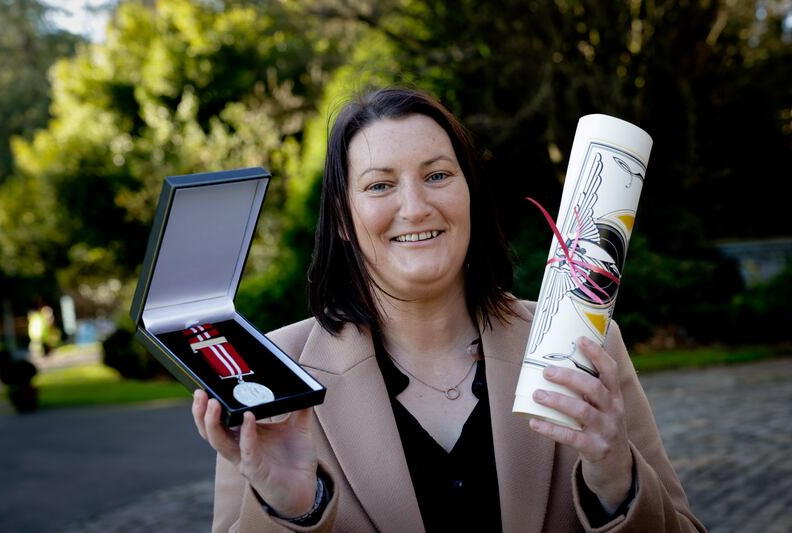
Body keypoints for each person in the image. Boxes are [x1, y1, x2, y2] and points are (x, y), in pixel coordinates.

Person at [192, 87, 705, 532]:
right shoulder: (274, 373)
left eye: (437, 175)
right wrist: (290, 512)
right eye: (379, 184)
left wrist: (617, 476)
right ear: (344, 219)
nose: (415, 207)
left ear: (470, 196)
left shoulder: (589, 345)